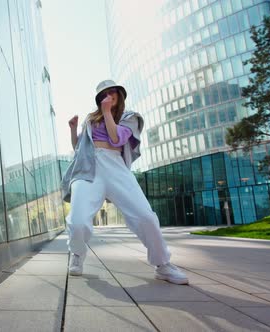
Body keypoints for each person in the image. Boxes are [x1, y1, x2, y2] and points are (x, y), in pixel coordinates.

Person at [61, 80, 189, 284]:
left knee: (145, 217)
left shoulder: (130, 117)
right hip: (88, 168)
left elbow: (116, 138)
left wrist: (108, 113)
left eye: (113, 92)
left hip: (115, 167)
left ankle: (163, 265)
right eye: (104, 94)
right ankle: (77, 255)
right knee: (77, 220)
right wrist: (73, 129)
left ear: (120, 95)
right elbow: (79, 148)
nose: (109, 96)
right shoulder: (90, 119)